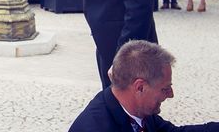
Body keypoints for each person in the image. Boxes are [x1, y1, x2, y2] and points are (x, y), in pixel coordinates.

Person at [69, 40, 219, 131]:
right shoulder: (96, 127)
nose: (171, 94)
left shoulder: (136, 109)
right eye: (165, 89)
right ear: (140, 87)